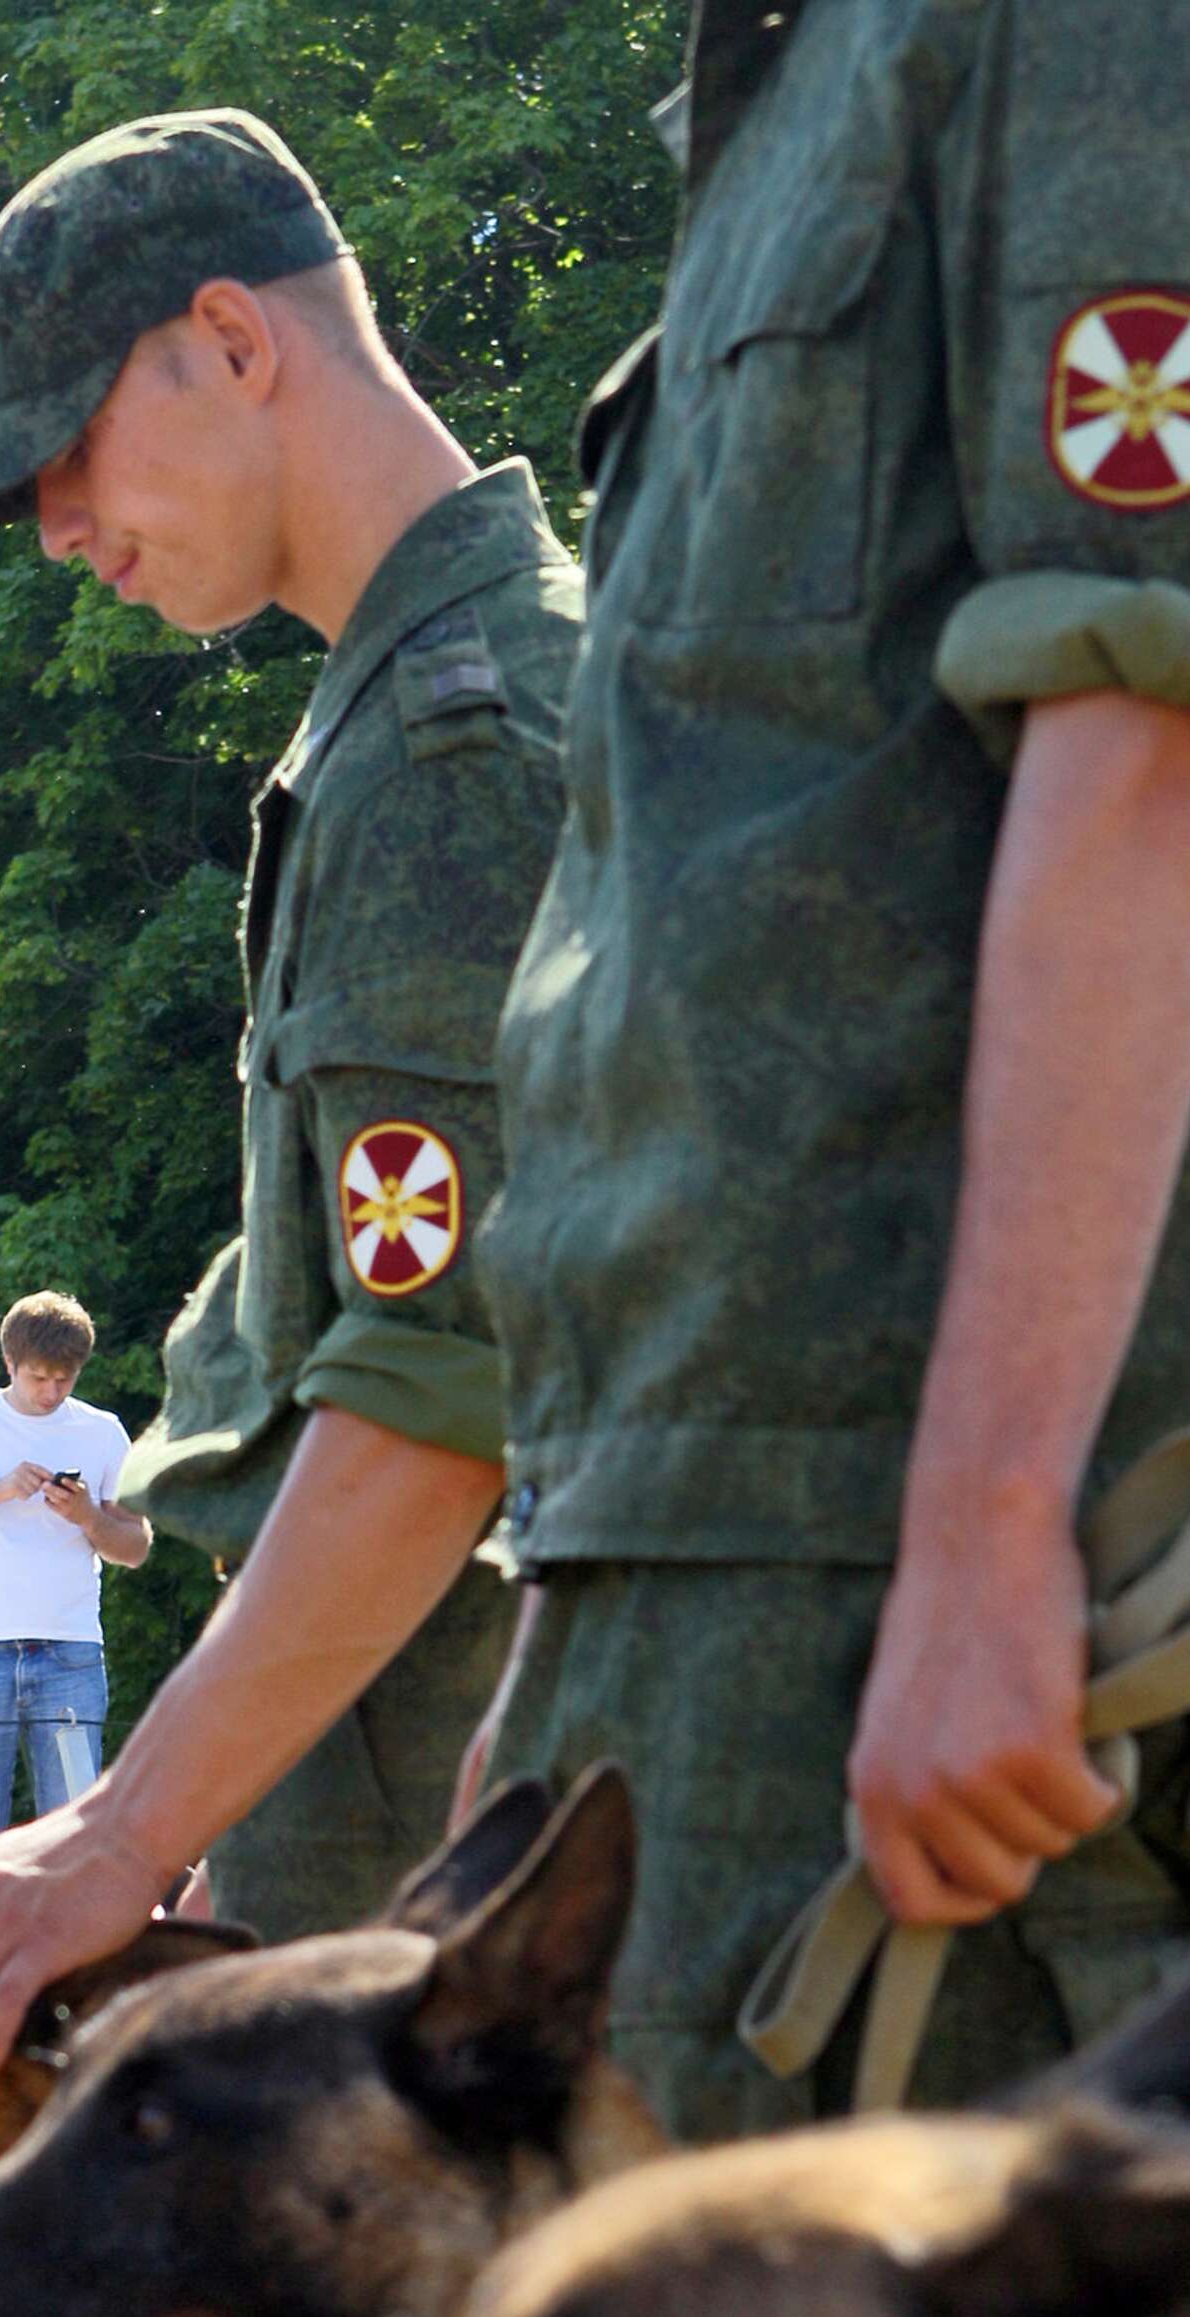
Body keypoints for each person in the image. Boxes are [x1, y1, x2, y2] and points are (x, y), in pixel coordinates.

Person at [461, 0, 1190, 2139]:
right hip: (714, 1556)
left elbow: (1136, 739)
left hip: (932, 1586)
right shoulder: (791, 79)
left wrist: (988, 1532)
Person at [0, 109, 581, 2106]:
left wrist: (110, 1832)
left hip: (454, 1849)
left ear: (231, 341)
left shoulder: (453, 749)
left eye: (66, 451)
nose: (57, 531)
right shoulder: (454, 689)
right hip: (409, 1795)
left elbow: (435, 1412)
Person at [0, 1292, 149, 1849]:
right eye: (39, 1378)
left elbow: (134, 1547)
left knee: (71, 1840)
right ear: (9, 1363)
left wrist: (87, 1515)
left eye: (65, 1379)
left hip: (71, 1657)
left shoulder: (103, 1430)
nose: (52, 1392)